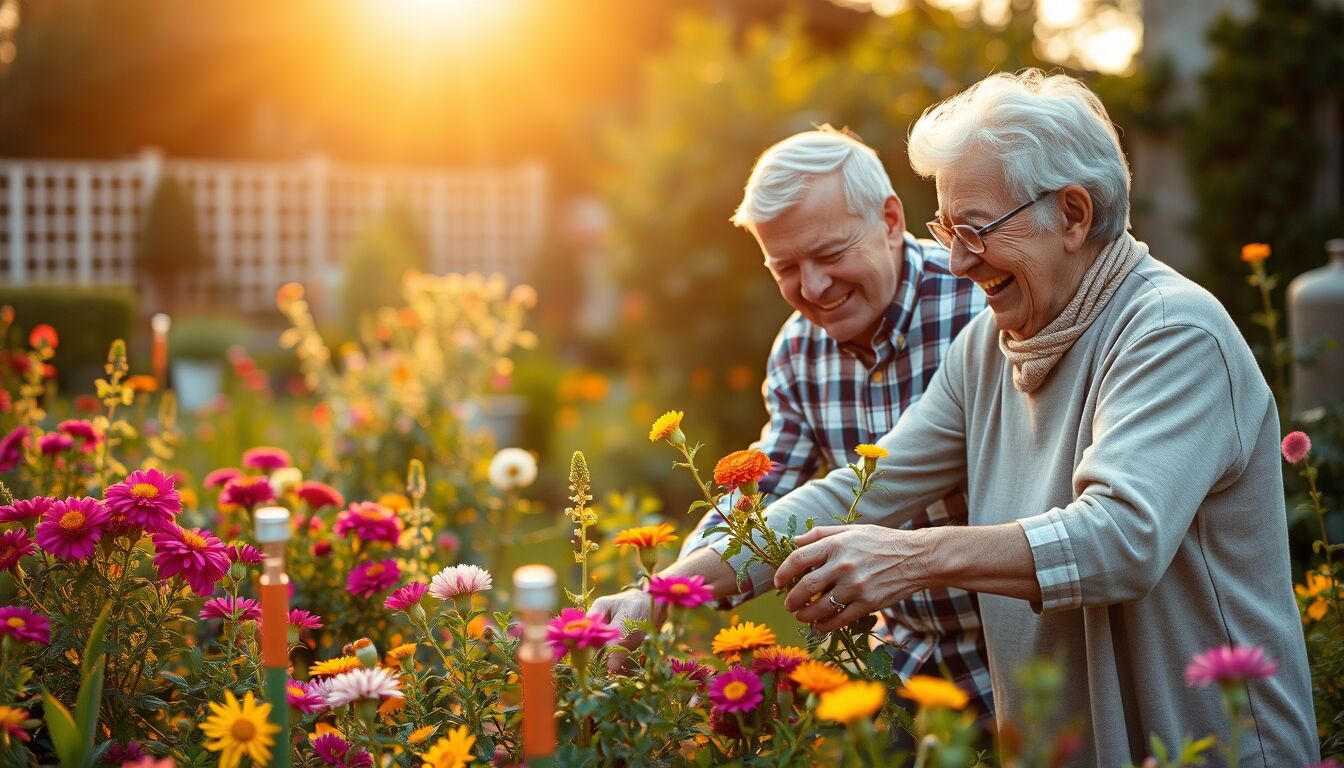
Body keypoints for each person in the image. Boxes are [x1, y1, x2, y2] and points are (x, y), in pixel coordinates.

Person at [740, 71, 1315, 765]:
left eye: (975, 230)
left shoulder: (1171, 331)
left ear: (1072, 215)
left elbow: (1121, 537)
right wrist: (661, 593)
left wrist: (912, 558)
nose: (955, 261)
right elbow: (860, 490)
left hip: (1204, 746)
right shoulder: (988, 348)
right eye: (946, 230)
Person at [594, 127, 993, 717]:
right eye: (785, 266)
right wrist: (666, 590)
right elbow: (764, 492)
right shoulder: (799, 352)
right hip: (904, 663)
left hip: (1019, 657)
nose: (812, 287)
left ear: (888, 220)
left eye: (830, 255)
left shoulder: (979, 304)